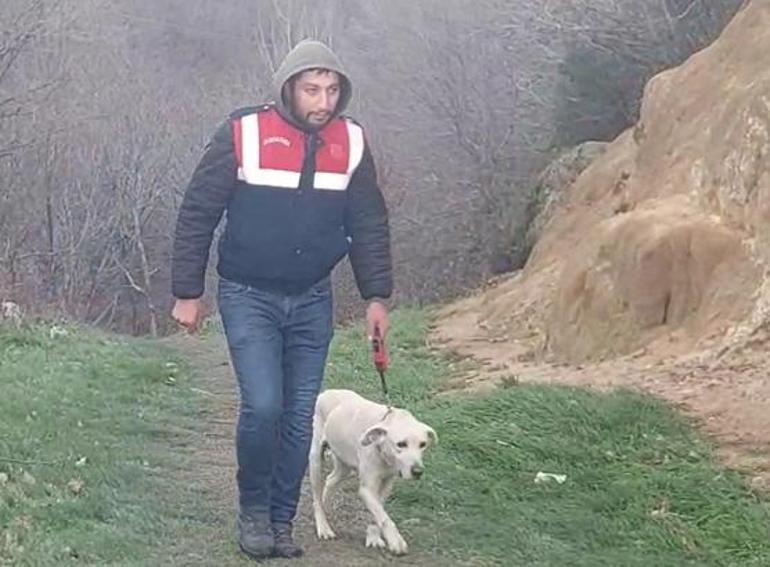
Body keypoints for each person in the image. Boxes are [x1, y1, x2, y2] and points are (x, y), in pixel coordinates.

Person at [170, 39, 393, 560]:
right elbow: (198, 210)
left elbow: (368, 221)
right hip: (248, 293)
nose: (323, 101)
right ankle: (253, 512)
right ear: (288, 89)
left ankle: (280, 520)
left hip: (313, 298)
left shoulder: (351, 141)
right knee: (264, 405)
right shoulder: (243, 132)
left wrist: (376, 297)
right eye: (312, 89)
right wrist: (187, 292)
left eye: (332, 90)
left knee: (297, 418)